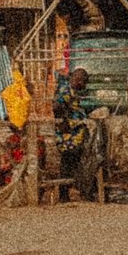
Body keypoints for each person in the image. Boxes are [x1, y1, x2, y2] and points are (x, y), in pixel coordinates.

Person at [53, 67, 93, 201]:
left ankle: (73, 191)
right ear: (77, 79)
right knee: (67, 162)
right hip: (68, 135)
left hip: (74, 134)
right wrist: (62, 121)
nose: (84, 85)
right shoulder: (65, 90)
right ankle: (64, 194)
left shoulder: (72, 91)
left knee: (73, 162)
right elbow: (56, 106)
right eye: (83, 82)